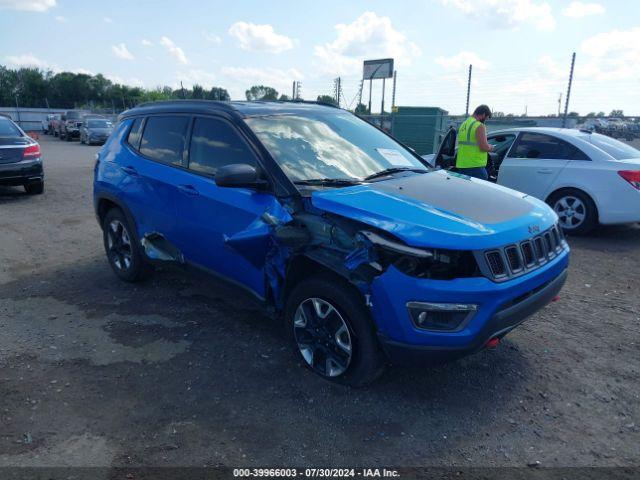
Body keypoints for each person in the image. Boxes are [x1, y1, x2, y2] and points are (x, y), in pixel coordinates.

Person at [456, 105, 493, 180]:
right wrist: (491, 147)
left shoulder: (464, 124)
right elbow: (484, 147)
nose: (485, 121)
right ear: (483, 114)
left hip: (462, 165)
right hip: (475, 166)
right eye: (486, 118)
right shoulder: (479, 126)